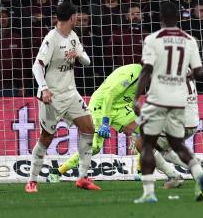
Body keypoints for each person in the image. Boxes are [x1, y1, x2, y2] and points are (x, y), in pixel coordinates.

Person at [46, 63, 184, 187]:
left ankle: (140, 172)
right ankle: (57, 172)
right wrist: (105, 123)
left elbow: (127, 100)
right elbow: (109, 95)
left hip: (119, 108)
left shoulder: (144, 78)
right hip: (101, 106)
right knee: (94, 147)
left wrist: (134, 120)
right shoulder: (132, 73)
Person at [133, 1, 203, 203]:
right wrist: (186, 77)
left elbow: (146, 70)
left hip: (158, 99)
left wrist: (136, 97)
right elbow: (200, 72)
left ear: (160, 20)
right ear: (179, 18)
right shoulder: (190, 40)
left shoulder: (152, 39)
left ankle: (149, 193)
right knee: (177, 145)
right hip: (179, 102)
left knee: (145, 144)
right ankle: (199, 173)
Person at [25, 1, 100, 193]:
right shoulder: (52, 38)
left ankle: (83, 177)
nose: (78, 19)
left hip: (71, 93)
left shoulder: (73, 36)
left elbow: (87, 61)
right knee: (47, 137)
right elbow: (37, 66)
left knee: (88, 127)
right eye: (76, 16)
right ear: (72, 17)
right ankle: (32, 181)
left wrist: (78, 55)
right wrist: (44, 89)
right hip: (53, 96)